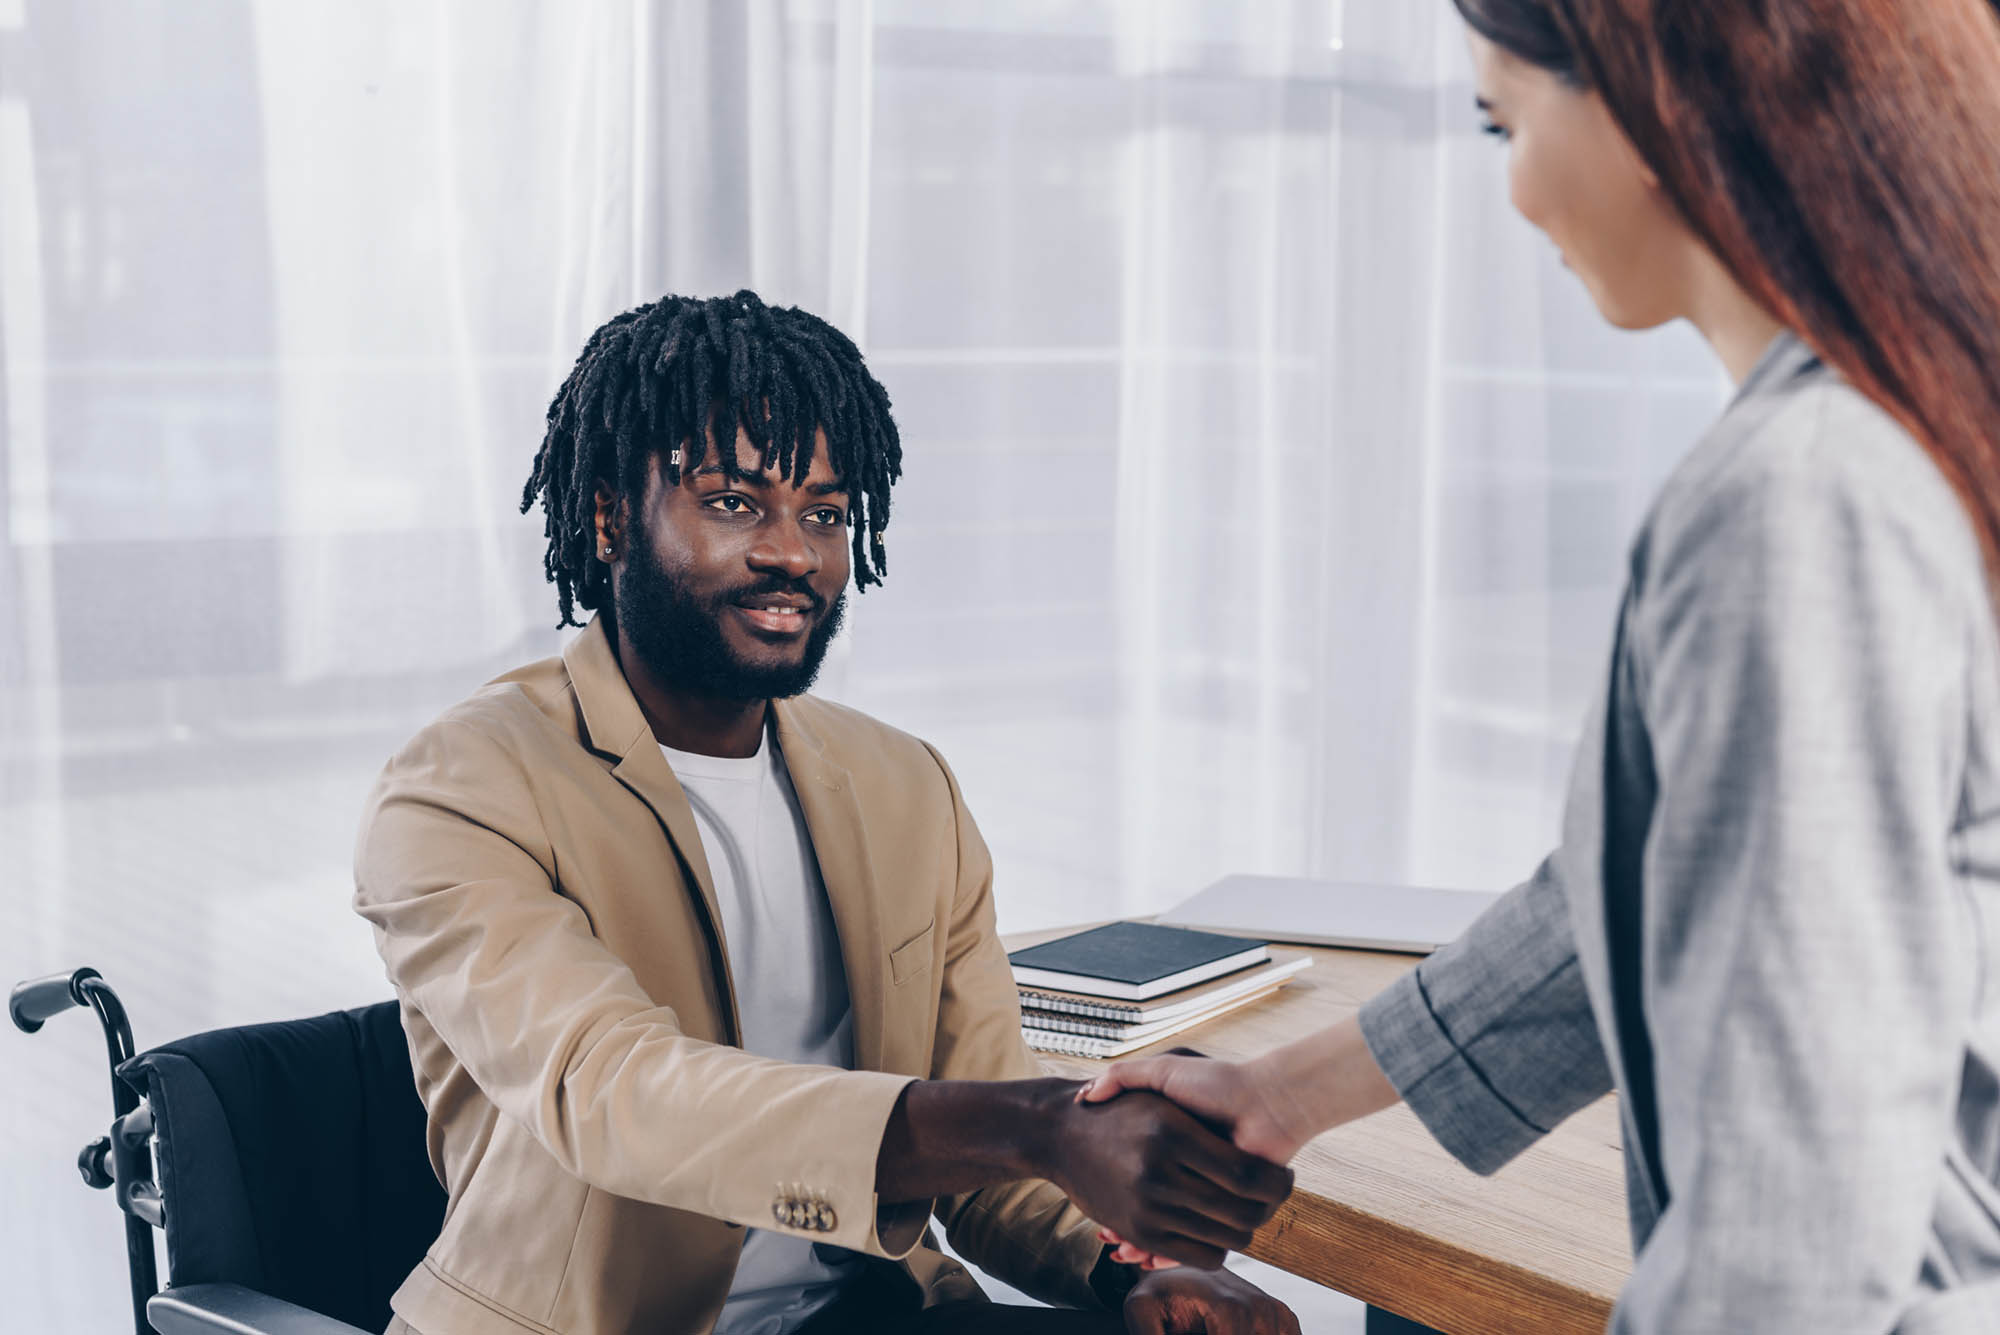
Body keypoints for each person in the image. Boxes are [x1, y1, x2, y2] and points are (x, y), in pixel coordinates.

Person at [1083, 1, 2000, 1330]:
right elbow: (1646, 873)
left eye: (1503, 120)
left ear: (1646, 106)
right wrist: (1289, 1091)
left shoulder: (1797, 499)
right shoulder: (1887, 422)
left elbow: (1793, 1212)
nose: (1514, 194)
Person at [354, 292, 1299, 1335]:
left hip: (867, 1313)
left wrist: (1123, 1272)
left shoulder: (904, 788)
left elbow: (983, 1155)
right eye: (731, 503)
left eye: (823, 513)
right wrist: (1035, 1124)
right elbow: (615, 1095)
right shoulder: (462, 785)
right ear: (610, 515)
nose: (791, 554)